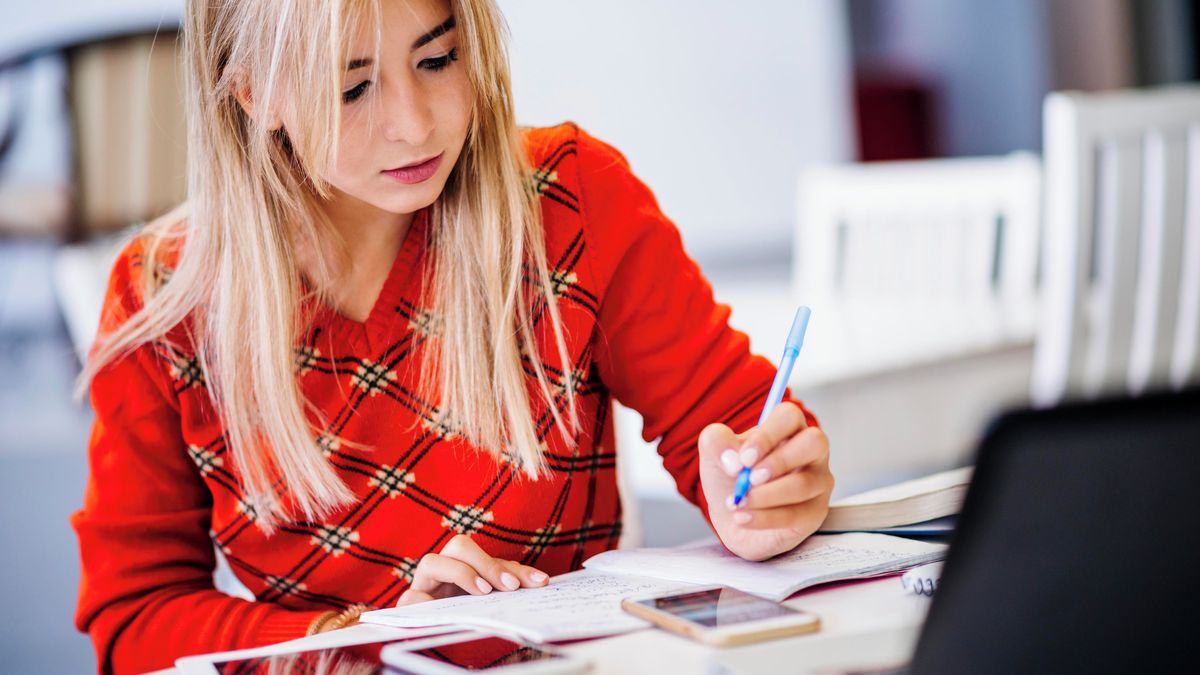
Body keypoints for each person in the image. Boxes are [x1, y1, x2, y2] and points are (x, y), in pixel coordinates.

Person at [71, 0, 833, 672]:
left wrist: (764, 492)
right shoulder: (162, 300)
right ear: (253, 93)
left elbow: (739, 429)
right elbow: (134, 617)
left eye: (437, 58)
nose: (415, 123)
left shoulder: (572, 203)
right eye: (352, 87)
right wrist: (373, 639)